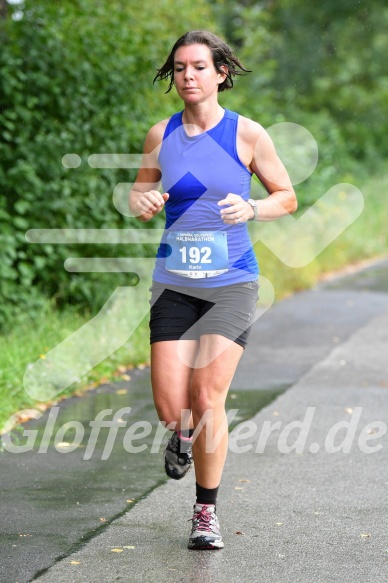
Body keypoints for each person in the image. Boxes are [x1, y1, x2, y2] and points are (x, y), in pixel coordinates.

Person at [129, 29, 297, 550]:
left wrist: (253, 207)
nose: (188, 76)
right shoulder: (161, 135)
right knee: (171, 407)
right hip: (174, 284)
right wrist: (142, 201)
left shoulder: (247, 135)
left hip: (231, 283)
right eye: (180, 68)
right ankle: (178, 437)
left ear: (221, 73)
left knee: (206, 397)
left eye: (199, 67)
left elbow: (287, 196)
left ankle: (206, 513)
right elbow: (139, 189)